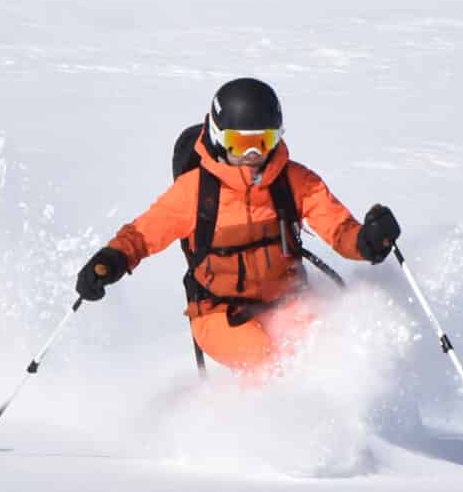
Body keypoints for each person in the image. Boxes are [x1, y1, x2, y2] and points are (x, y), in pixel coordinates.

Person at [75, 78, 400, 377]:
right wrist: (112, 260)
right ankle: (261, 432)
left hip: (288, 301)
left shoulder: (295, 182)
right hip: (218, 313)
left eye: (263, 141)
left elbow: (338, 229)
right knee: (266, 361)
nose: (252, 155)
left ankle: (351, 429)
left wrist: (367, 241)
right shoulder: (196, 192)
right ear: (218, 137)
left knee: (326, 351)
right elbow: (143, 234)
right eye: (239, 144)